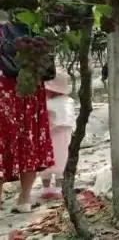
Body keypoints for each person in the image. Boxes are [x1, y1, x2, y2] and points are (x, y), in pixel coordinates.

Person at [0, 18, 55, 213]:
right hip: (27, 89)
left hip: (6, 90)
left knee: (3, 142)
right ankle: (24, 200)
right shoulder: (27, 25)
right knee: (27, 141)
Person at [40, 73, 74, 201]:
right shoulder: (68, 101)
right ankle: (57, 187)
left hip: (52, 134)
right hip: (62, 134)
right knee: (61, 159)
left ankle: (48, 187)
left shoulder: (49, 104)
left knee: (49, 160)